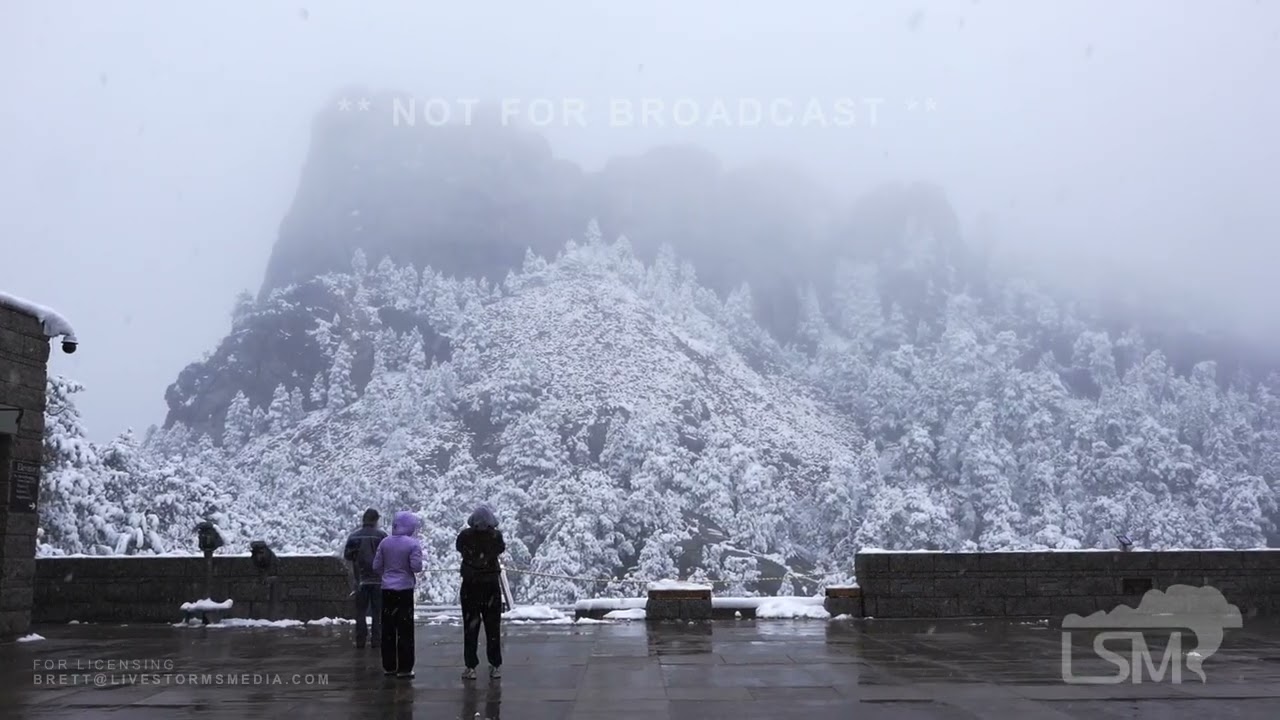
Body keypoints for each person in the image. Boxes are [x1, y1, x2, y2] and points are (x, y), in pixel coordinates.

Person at [456, 504, 506, 680]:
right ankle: (495, 664)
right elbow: (500, 548)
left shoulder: (464, 536)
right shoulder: (495, 537)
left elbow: (459, 548)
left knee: (470, 628)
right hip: (491, 586)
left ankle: (471, 666)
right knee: (493, 627)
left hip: (470, 586)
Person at [371, 510, 423, 679]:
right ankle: (405, 668)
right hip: (405, 590)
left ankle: (389, 666)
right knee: (405, 630)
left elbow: (376, 566)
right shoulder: (412, 544)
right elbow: (416, 567)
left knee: (388, 628)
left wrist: (387, 574)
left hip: (387, 590)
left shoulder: (385, 543)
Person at [343, 508, 388, 649]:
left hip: (361, 579)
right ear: (375, 521)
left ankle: (361, 639)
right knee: (378, 612)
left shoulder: (354, 537)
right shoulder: (381, 536)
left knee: (360, 612)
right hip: (378, 580)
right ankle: (377, 640)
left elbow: (348, 556)